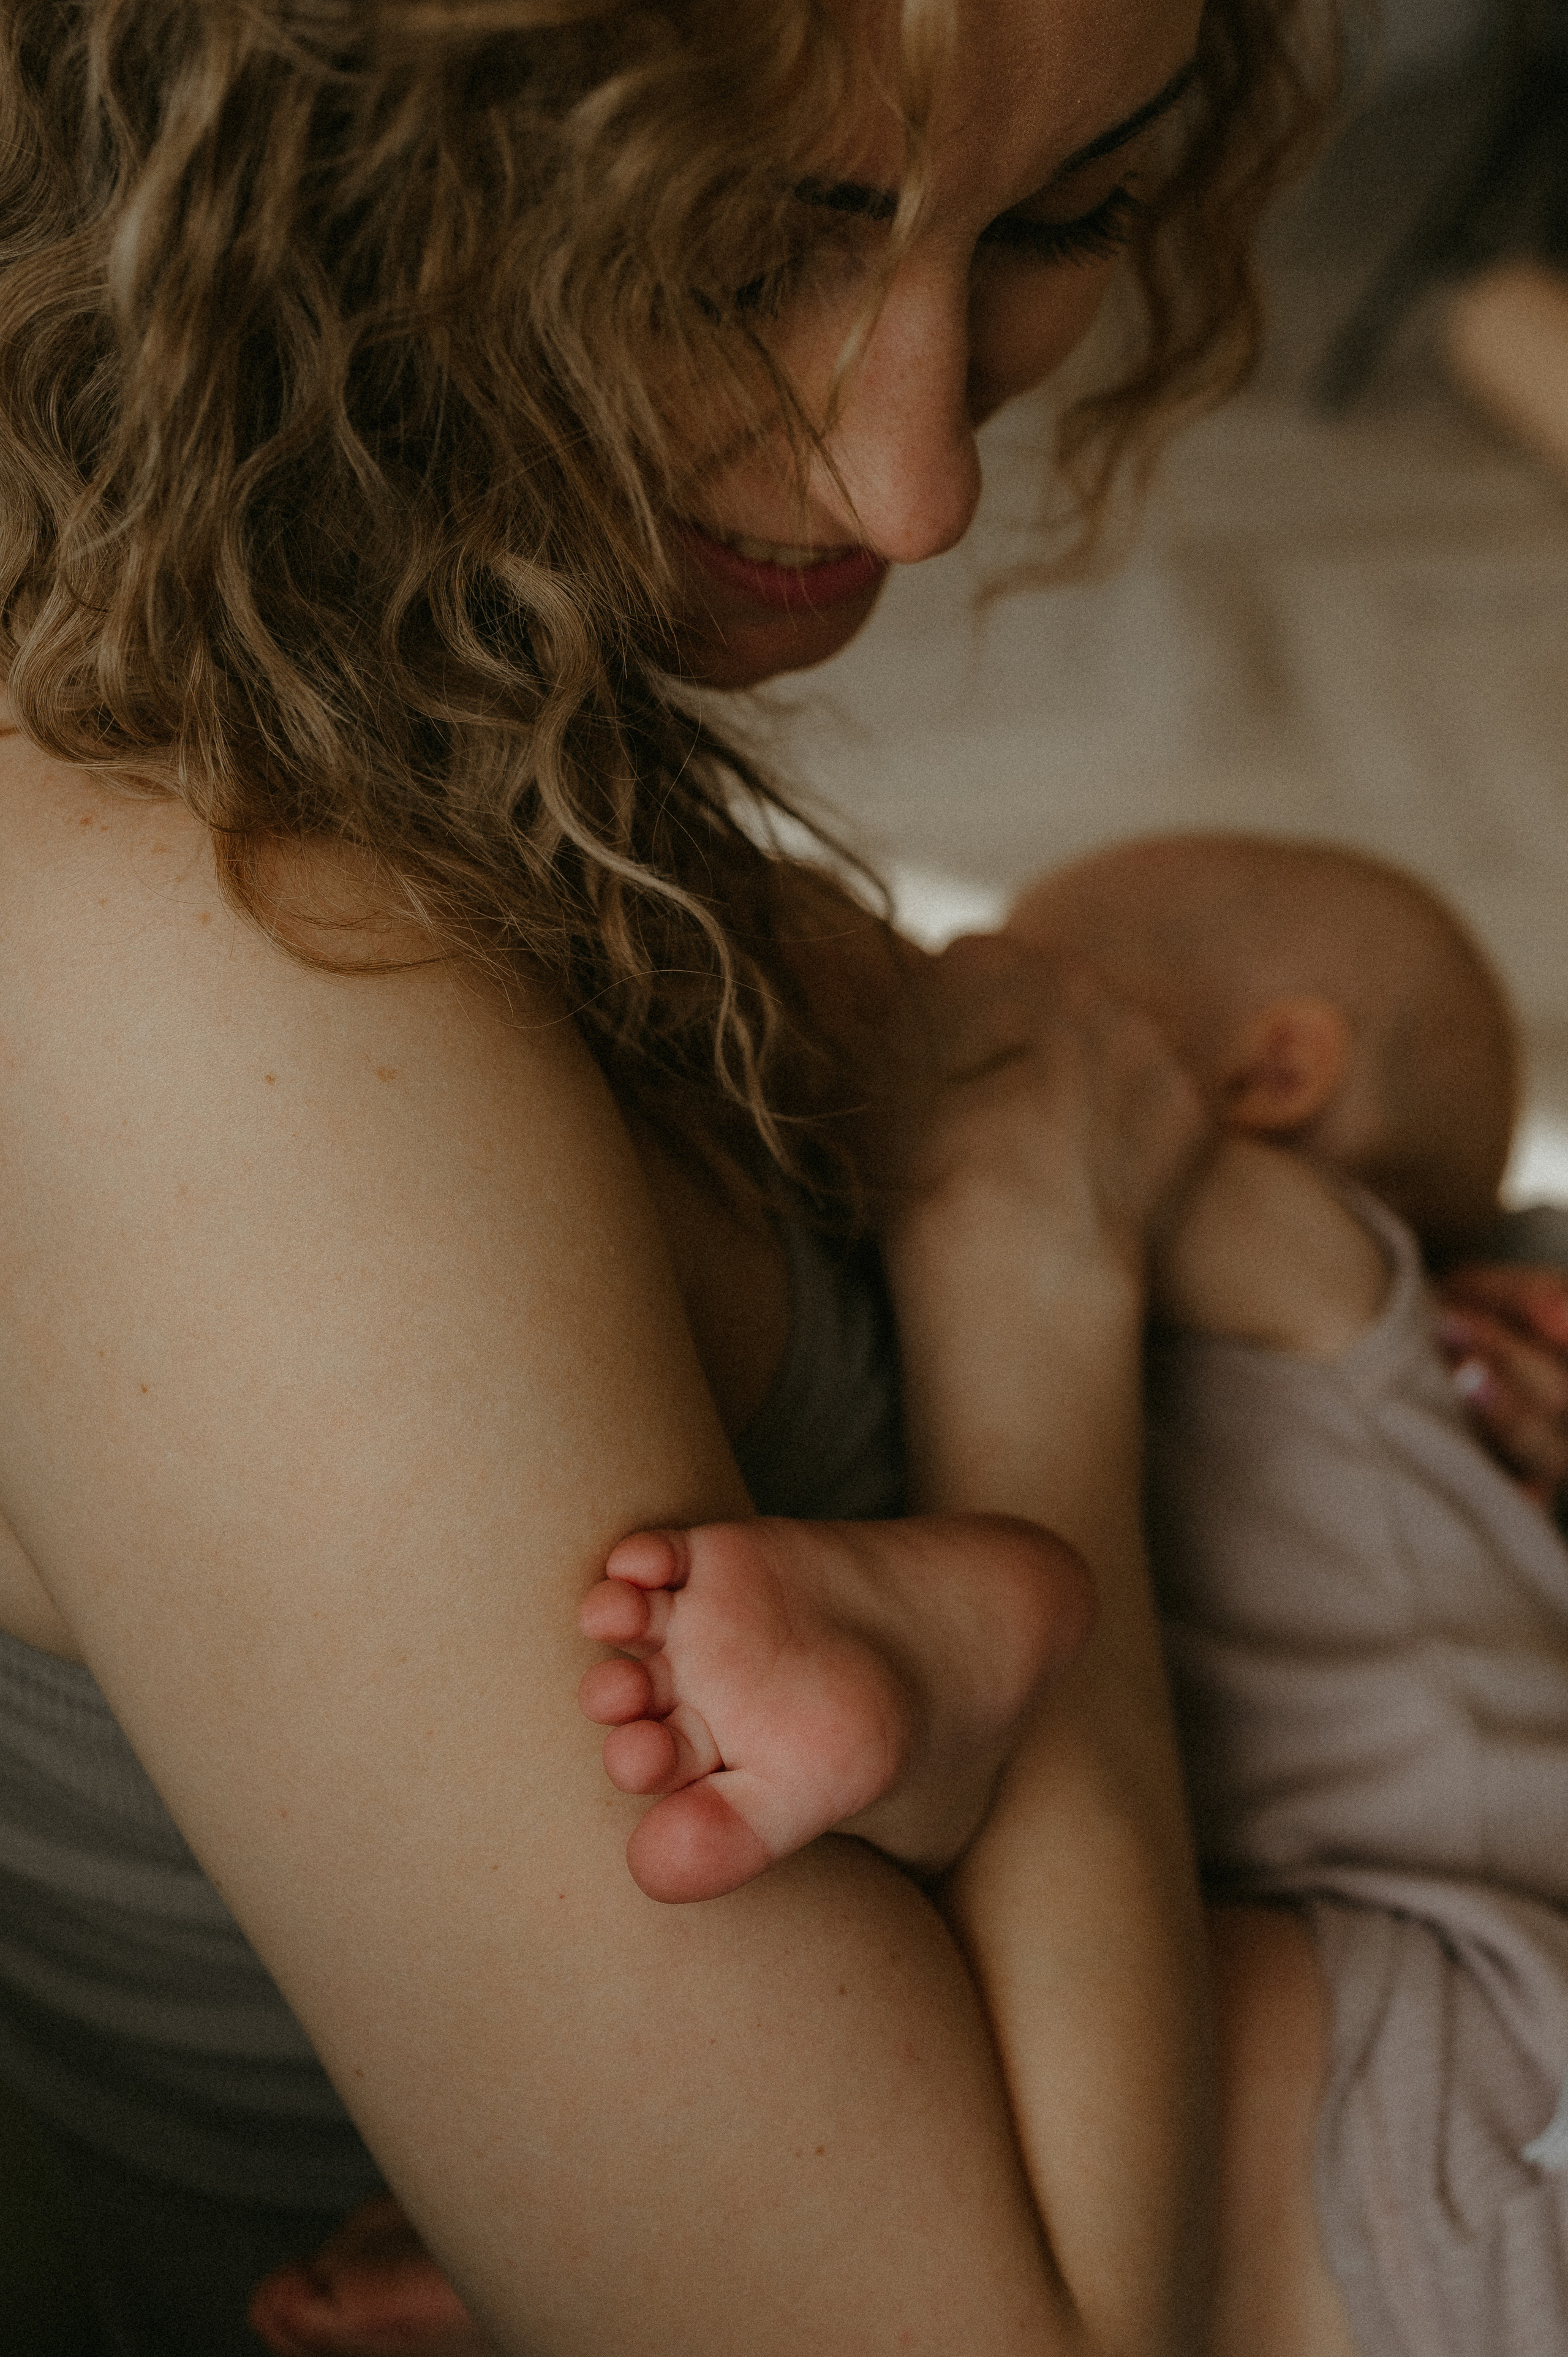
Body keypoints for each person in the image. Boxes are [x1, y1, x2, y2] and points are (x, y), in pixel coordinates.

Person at [0, 9, 1564, 2357]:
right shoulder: (202, 965)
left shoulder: (400, 656)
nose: (916, 478)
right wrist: (1023, 1292)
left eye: (1066, 218)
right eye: (734, 242)